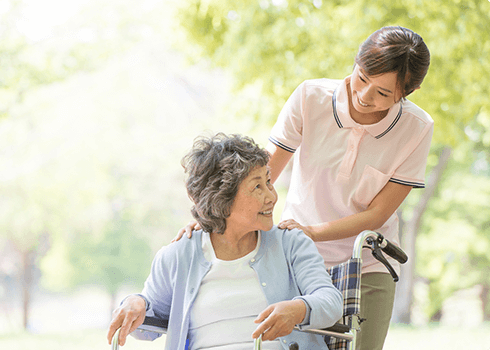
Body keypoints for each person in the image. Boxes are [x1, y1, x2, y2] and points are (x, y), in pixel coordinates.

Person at [175, 26, 433, 350]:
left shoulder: (417, 128)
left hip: (365, 263)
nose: (364, 95)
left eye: (382, 93)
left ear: (408, 92)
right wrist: (214, 216)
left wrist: (312, 231)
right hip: (295, 257)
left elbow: (379, 212)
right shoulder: (311, 97)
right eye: (362, 77)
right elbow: (262, 172)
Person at [107, 133, 342, 350]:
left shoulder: (290, 243)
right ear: (223, 200)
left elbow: (330, 301)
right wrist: (135, 302)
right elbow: (147, 326)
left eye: (268, 182)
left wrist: (299, 309)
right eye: (257, 187)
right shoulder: (178, 255)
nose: (271, 196)